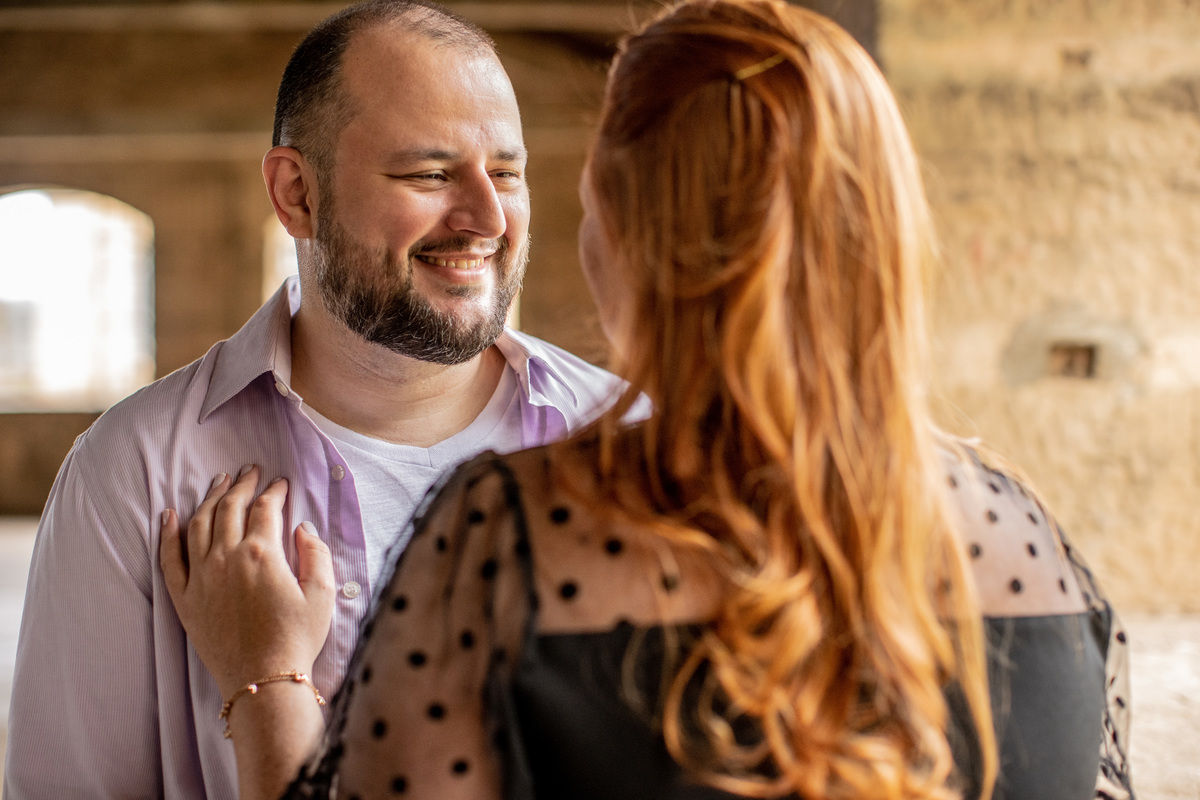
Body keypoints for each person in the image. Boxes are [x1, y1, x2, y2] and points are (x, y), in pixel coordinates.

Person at [161, 1, 1137, 798]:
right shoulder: (1035, 547)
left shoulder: (512, 540)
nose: (496, 214)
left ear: (623, 228)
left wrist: (268, 677)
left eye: (547, 179)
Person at [3, 2, 629, 798]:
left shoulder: (622, 437)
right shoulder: (137, 474)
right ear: (296, 193)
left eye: (506, 171)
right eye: (430, 173)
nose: (489, 218)